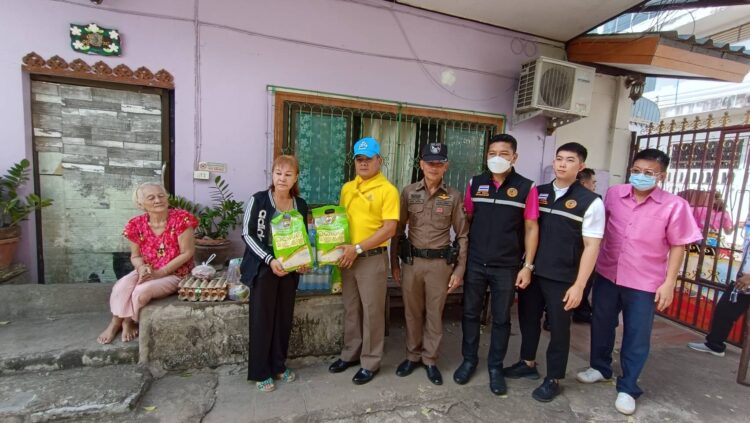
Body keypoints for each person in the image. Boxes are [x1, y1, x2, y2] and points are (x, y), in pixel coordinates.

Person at [576, 149, 702, 415]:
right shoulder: (615, 194)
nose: (640, 176)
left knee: (636, 333)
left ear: (661, 176)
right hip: (608, 273)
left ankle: (628, 387)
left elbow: (678, 245)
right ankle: (600, 367)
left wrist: (669, 283)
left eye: (648, 172)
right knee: (601, 323)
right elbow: (599, 228)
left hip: (644, 282)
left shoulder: (675, 205)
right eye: (636, 170)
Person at [504, 142, 604, 403]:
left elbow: (592, 246)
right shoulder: (539, 192)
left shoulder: (590, 202)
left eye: (570, 160)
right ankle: (527, 363)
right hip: (534, 271)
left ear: (580, 166)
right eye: (559, 158)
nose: (562, 164)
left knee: (559, 328)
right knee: (528, 319)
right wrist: (526, 266)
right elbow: (529, 230)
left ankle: (554, 378)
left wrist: (580, 285)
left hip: (564, 277)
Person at [453, 133, 539, 396]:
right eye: (492, 153)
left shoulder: (527, 187)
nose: (497, 158)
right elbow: (467, 219)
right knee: (470, 313)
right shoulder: (475, 183)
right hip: (476, 262)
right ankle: (469, 360)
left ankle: (495, 367)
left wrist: (528, 266)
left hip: (507, 265)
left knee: (501, 319)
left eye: (503, 154)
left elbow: (531, 227)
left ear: (515, 157)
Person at [390, 143, 468, 385]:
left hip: (440, 266)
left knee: (435, 314)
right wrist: (394, 264)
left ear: (446, 166)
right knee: (412, 312)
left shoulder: (453, 196)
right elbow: (397, 231)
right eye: (429, 162)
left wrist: (460, 269)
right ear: (421, 164)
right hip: (412, 263)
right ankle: (412, 356)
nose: (434, 167)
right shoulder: (408, 192)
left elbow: (463, 235)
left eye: (439, 163)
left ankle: (430, 359)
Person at [328, 137, 399, 385]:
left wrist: (357, 248)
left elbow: (389, 229)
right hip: (348, 258)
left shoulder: (388, 190)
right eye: (359, 159)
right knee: (351, 308)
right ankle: (350, 353)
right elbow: (340, 221)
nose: (364, 163)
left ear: (379, 160)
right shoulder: (348, 188)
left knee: (372, 312)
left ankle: (370, 362)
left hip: (371, 259)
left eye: (369, 159)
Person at [240, 155, 309, 392]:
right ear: (272, 174)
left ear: (296, 178)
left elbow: (302, 238)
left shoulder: (300, 204)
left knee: (283, 318)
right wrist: (269, 259)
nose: (282, 178)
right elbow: (247, 234)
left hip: (289, 267)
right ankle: (261, 371)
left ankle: (279, 365)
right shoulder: (258, 200)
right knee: (263, 318)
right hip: (263, 266)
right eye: (278, 173)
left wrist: (303, 262)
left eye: (288, 174)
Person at [96, 182, 197, 344]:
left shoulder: (181, 219)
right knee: (122, 286)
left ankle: (128, 321)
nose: (158, 200)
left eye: (161, 196)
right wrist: (141, 268)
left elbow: (187, 253)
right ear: (140, 204)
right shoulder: (135, 224)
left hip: (176, 273)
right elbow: (135, 256)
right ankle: (115, 323)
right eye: (151, 198)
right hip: (149, 269)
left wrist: (160, 273)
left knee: (140, 291)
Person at [688, 218, 750, 357]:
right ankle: (714, 344)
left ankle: (715, 344)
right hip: (743, 281)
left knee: (725, 310)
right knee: (724, 311)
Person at [572, 167, 600, 324]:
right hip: (576, 252)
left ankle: (581, 312)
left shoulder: (595, 202)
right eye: (593, 182)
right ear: (584, 183)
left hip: (587, 251)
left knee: (582, 284)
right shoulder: (592, 200)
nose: (594, 186)